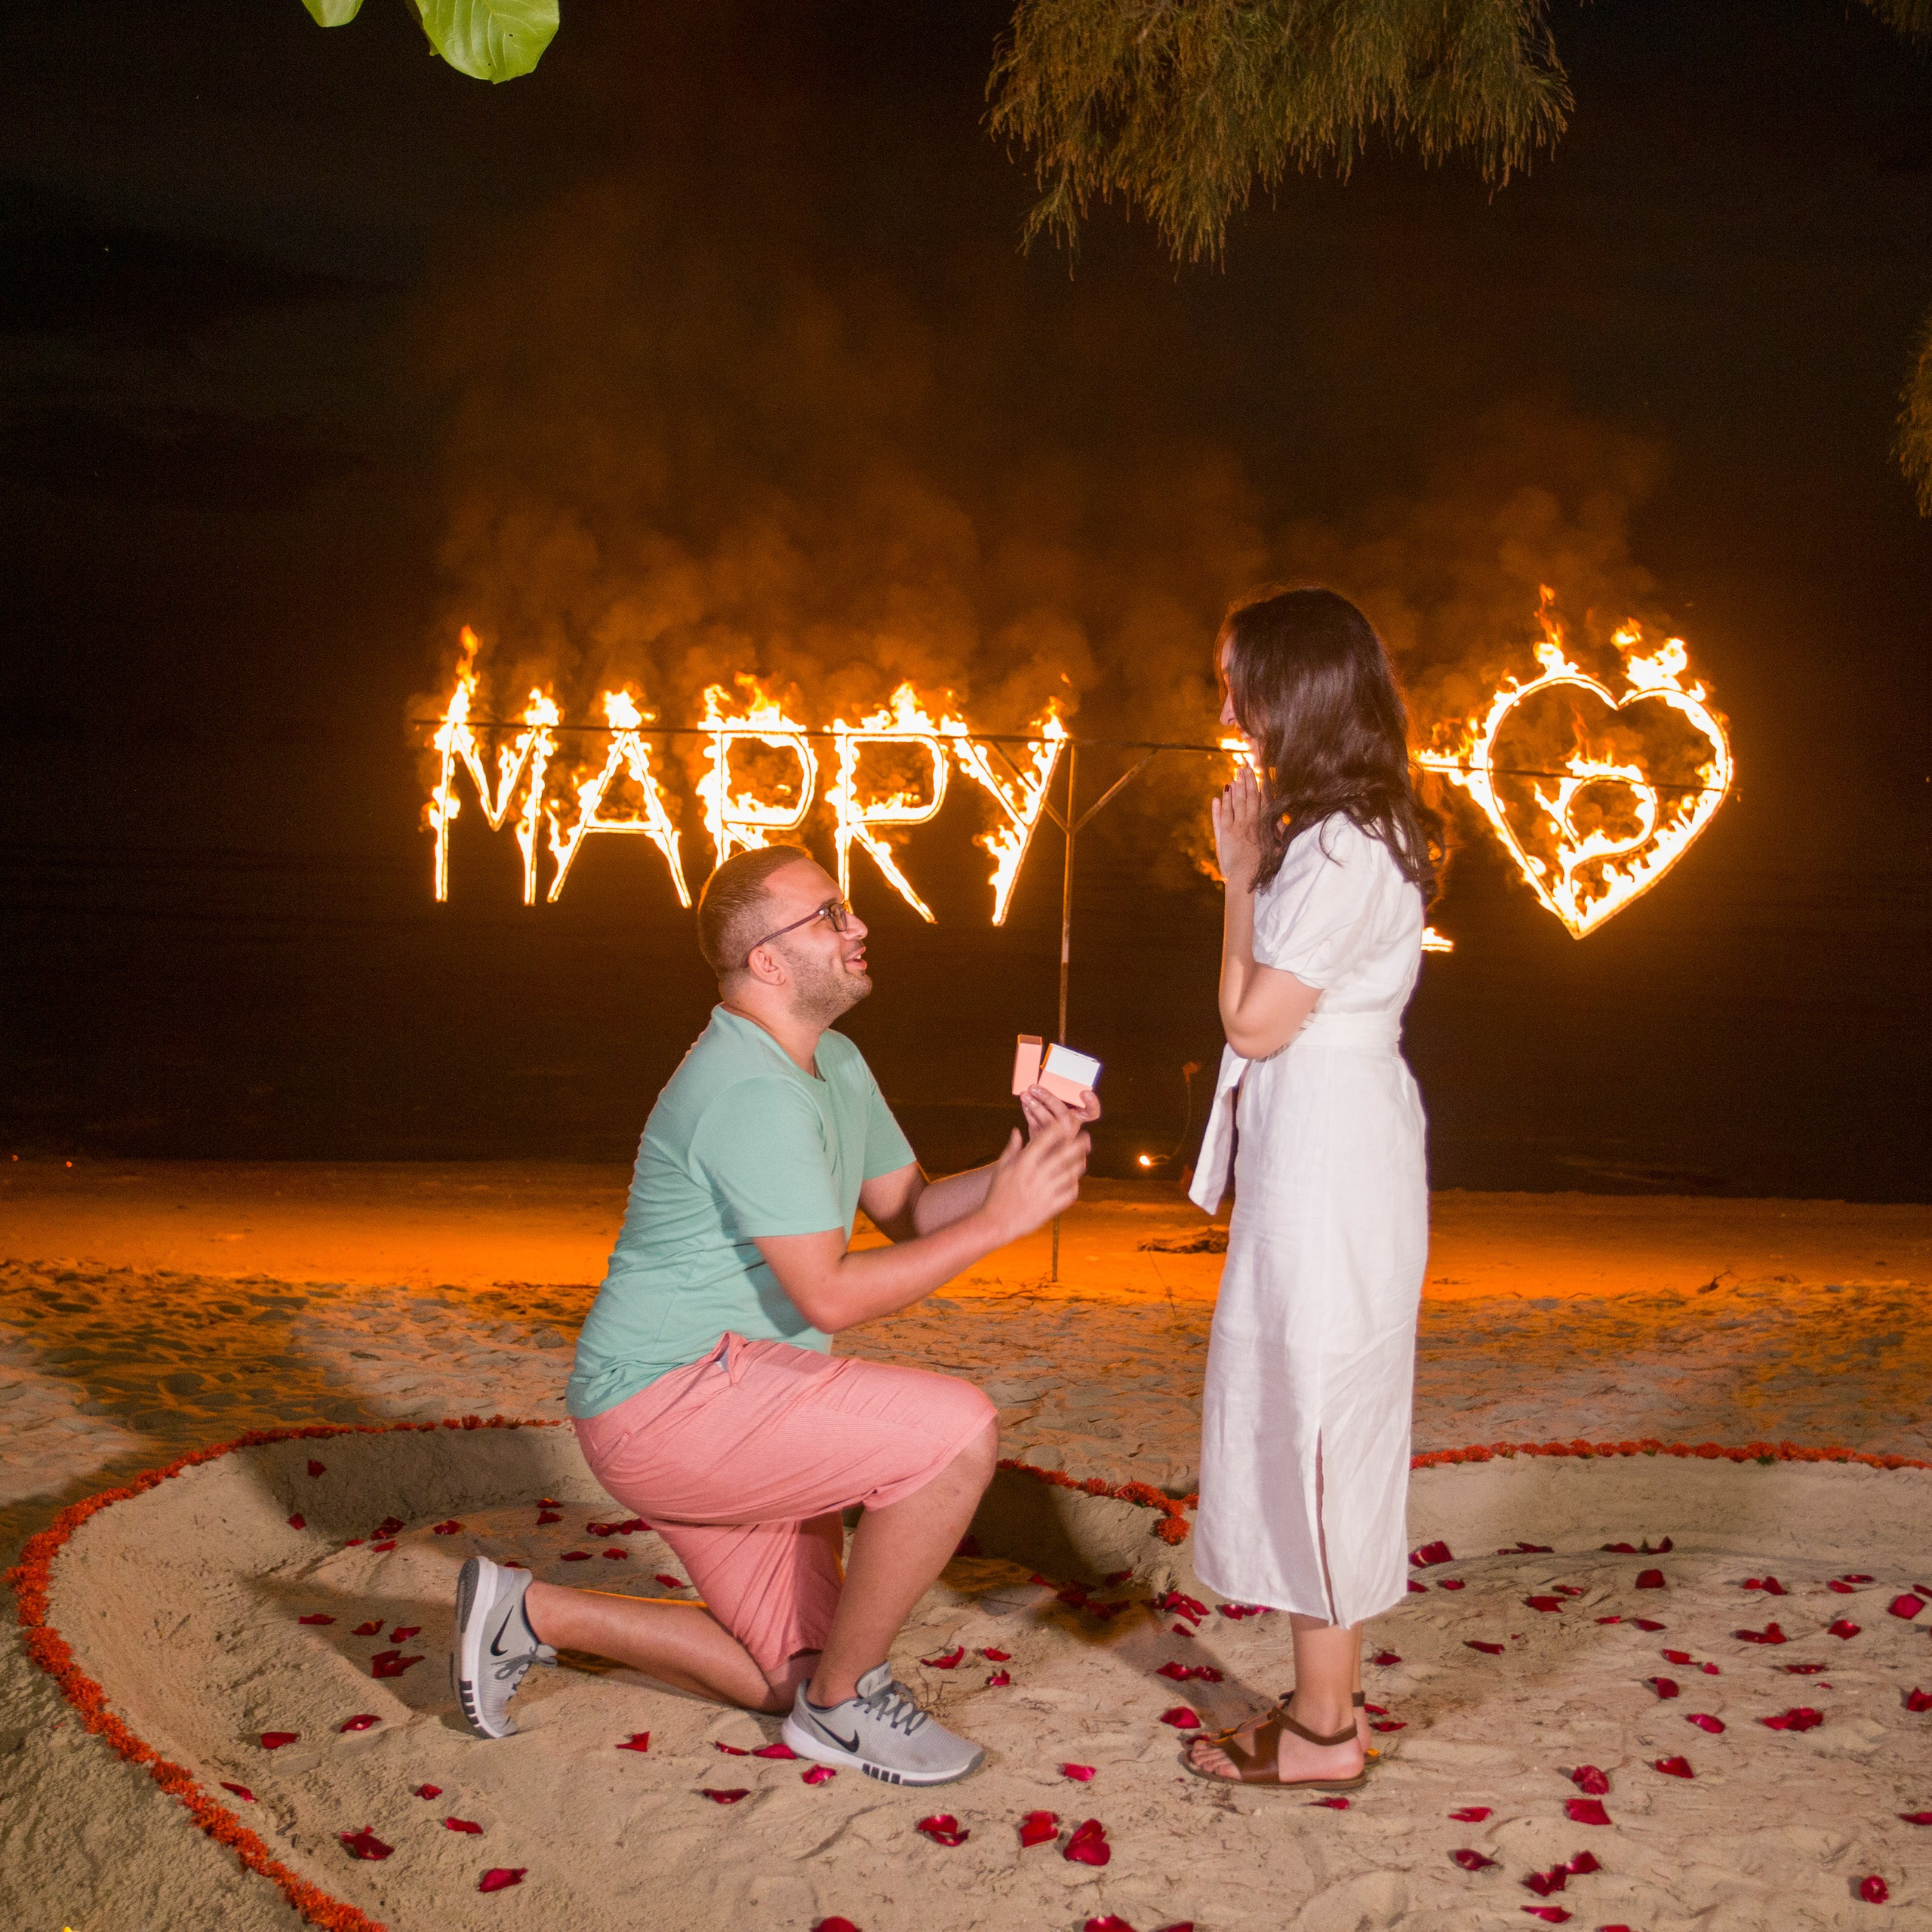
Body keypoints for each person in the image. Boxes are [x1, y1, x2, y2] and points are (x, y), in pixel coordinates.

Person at [451, 841, 1097, 1786]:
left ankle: (529, 1615)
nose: (858, 925)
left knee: (787, 1671)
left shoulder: (830, 1058)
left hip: (737, 1395)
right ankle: (844, 1711)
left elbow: (910, 1208)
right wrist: (1003, 1222)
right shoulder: (748, 1087)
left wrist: (1019, 1170)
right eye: (830, 914)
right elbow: (830, 1295)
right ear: (766, 960)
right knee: (955, 1434)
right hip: (671, 1402)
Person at [1182, 587, 1442, 1793]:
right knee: (1306, 1412)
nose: (1224, 704)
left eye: (1237, 681)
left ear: (1296, 692)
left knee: (1323, 1423)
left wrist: (1236, 875)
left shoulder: (1342, 847)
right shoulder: (1350, 828)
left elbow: (1250, 1018)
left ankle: (1326, 1735)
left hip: (1334, 1157)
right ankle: (1320, 1704)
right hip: (1326, 1148)